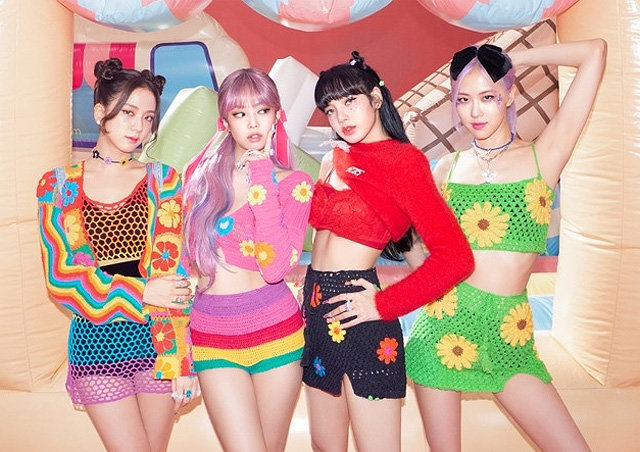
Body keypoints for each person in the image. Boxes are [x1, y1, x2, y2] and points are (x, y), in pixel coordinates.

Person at [405, 40, 606, 451]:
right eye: (463, 99)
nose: (475, 111)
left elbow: (595, 53)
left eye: (488, 96)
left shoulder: (544, 156)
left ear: (510, 95)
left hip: (508, 334)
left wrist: (515, 61)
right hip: (441, 329)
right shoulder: (447, 168)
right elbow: (426, 253)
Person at [302, 51, 474, 452]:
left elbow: (456, 258)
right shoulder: (333, 157)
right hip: (315, 311)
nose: (341, 116)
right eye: (331, 109)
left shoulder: (405, 162)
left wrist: (385, 303)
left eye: (350, 101)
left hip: (363, 315)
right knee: (324, 446)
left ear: (376, 98)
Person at [37, 58, 197, 451]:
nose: (138, 127)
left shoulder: (163, 181)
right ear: (100, 113)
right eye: (128, 113)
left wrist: (181, 361)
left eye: (148, 117)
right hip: (96, 346)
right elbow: (62, 279)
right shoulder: (57, 186)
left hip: (158, 344)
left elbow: (174, 277)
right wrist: (142, 291)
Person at [182, 68, 313, 452]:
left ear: (277, 116)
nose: (253, 123)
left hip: (276, 332)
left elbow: (275, 268)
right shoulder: (199, 181)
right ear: (225, 123)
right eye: (241, 114)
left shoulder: (294, 184)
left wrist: (261, 174)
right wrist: (179, 351)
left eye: (262, 111)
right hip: (212, 334)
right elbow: (184, 266)